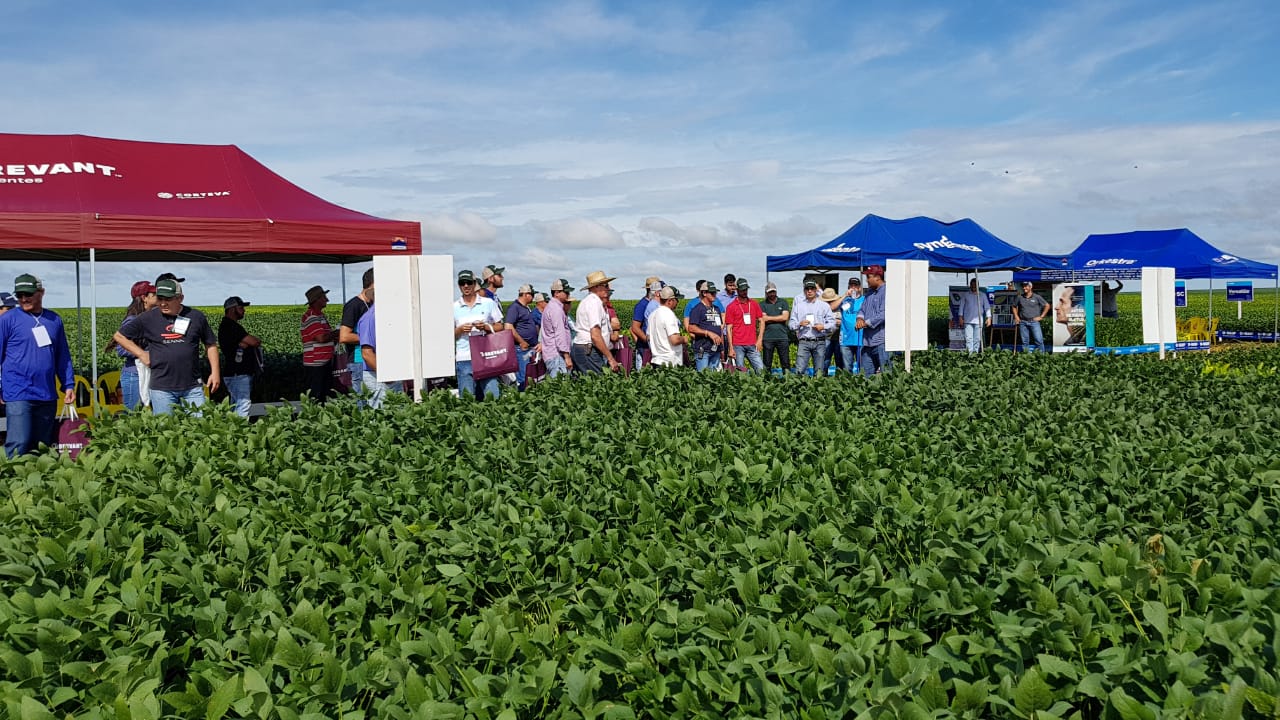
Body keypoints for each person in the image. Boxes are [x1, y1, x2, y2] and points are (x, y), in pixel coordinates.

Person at [114, 278, 220, 415]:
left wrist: (215, 372)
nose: (163, 303)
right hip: (161, 389)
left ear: (180, 298)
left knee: (199, 428)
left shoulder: (196, 317)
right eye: (160, 298)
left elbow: (210, 344)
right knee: (166, 430)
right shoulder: (148, 318)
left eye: (168, 299)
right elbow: (119, 336)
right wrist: (141, 354)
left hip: (192, 387)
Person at [0, 274, 75, 457]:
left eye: (28, 294)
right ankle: (10, 481)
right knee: (19, 441)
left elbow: (62, 356)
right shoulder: (7, 320)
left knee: (42, 445)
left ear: (41, 292)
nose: (23, 299)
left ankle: (38, 482)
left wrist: (68, 384)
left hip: (46, 393)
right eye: (19, 295)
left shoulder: (54, 320)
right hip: (17, 391)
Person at [453, 269, 506, 398]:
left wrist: (486, 327)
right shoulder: (453, 307)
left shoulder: (488, 303)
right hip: (464, 357)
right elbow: (446, 335)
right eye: (462, 283)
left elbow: (501, 326)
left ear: (474, 283)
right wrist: (459, 330)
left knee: (493, 396)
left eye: (468, 282)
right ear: (459, 285)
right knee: (467, 401)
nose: (466, 286)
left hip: (486, 356)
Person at [110, 281, 157, 410]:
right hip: (134, 375)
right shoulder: (132, 320)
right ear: (144, 298)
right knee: (134, 416)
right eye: (154, 294)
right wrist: (144, 353)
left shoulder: (151, 317)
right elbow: (120, 349)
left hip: (147, 373)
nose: (159, 297)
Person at [219, 295, 260, 418]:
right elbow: (254, 341)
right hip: (238, 373)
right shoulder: (231, 326)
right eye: (241, 308)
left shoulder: (228, 325)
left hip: (235, 373)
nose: (244, 310)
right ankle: (240, 431)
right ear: (232, 309)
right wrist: (247, 343)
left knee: (235, 404)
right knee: (243, 403)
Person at [572, 271, 621, 374]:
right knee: (597, 384)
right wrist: (610, 359)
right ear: (597, 287)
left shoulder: (588, 301)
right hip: (589, 350)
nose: (608, 289)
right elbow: (595, 335)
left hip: (584, 348)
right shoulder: (595, 303)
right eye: (606, 286)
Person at [301, 285, 340, 403]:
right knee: (316, 396)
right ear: (317, 300)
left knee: (323, 395)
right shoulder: (311, 317)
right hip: (316, 364)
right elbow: (321, 338)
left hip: (322, 362)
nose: (327, 300)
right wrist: (337, 332)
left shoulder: (319, 315)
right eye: (324, 297)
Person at [339, 268, 375, 394]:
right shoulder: (353, 305)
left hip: (371, 359)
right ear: (372, 284)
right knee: (362, 401)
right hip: (359, 361)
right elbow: (344, 336)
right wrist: (369, 338)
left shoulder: (373, 304)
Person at [790, 280, 835, 376]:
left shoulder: (824, 306)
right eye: (807, 289)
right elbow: (791, 324)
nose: (809, 291)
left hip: (820, 341)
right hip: (804, 341)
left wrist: (823, 326)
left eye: (812, 289)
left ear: (816, 290)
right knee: (800, 370)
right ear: (804, 290)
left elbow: (832, 324)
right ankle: (800, 389)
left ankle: (816, 390)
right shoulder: (798, 306)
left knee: (819, 372)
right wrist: (799, 324)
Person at [856, 265, 891, 375]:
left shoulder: (888, 291)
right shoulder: (869, 293)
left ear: (877, 277)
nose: (866, 280)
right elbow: (862, 309)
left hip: (882, 341)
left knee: (887, 375)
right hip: (867, 342)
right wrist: (860, 318)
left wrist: (866, 323)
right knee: (866, 376)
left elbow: (884, 313)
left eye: (868, 276)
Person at [724, 278, 764, 371]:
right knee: (740, 372)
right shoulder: (731, 307)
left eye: (746, 289)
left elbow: (761, 320)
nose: (745, 292)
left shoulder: (754, 304)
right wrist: (731, 347)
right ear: (737, 290)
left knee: (761, 370)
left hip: (753, 343)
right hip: (738, 345)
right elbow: (729, 328)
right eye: (742, 290)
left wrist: (760, 340)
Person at [506, 284, 541, 390]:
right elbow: (508, 326)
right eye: (532, 294)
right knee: (524, 377)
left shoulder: (526, 308)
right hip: (521, 349)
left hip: (530, 348)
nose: (533, 297)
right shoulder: (515, 307)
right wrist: (521, 342)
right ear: (526, 294)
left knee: (531, 377)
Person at [355, 303, 390, 408]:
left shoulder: (384, 314)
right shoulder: (371, 317)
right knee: (380, 416)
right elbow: (367, 354)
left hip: (387, 376)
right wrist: (387, 376)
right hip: (378, 376)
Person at [541, 278, 575, 377]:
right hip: (557, 355)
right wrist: (567, 356)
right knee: (561, 387)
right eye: (566, 292)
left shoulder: (551, 307)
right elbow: (560, 334)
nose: (568, 294)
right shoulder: (556, 310)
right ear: (557, 293)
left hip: (552, 354)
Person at [688, 282, 724, 371]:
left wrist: (722, 348)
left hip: (716, 350)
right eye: (712, 293)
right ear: (704, 293)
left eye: (715, 293)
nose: (714, 295)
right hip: (703, 350)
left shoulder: (717, 309)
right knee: (703, 377)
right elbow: (691, 328)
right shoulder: (697, 309)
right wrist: (708, 333)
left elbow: (719, 328)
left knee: (715, 378)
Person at [647, 286, 686, 366]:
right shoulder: (668, 314)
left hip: (656, 360)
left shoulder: (652, 315)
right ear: (670, 301)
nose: (677, 302)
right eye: (676, 300)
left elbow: (648, 337)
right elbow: (675, 340)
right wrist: (684, 339)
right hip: (669, 362)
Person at [630, 277, 662, 369]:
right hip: (644, 347)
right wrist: (647, 340)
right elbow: (635, 327)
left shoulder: (656, 303)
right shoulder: (642, 305)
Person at [759, 282, 791, 373]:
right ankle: (766, 381)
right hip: (768, 337)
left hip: (782, 337)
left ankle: (787, 381)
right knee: (767, 363)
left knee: (785, 363)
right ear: (766, 293)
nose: (772, 294)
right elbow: (763, 319)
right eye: (770, 292)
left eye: (773, 292)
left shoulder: (783, 302)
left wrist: (769, 318)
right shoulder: (762, 304)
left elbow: (785, 317)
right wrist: (779, 318)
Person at [1012, 281, 1050, 353]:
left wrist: (1041, 316)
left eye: (1026, 286)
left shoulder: (1037, 297)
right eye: (1023, 286)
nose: (1024, 288)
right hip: (1023, 322)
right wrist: (1016, 317)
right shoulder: (1019, 297)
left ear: (1030, 287)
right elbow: (1014, 307)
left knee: (1039, 340)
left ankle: (1042, 356)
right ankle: (1026, 356)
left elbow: (1047, 305)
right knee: (1025, 341)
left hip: (1034, 322)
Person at [837, 277, 865, 372]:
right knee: (847, 368)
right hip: (846, 339)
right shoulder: (845, 300)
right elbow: (832, 307)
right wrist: (845, 295)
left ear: (860, 288)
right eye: (851, 285)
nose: (853, 288)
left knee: (862, 368)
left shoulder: (864, 300)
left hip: (860, 339)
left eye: (856, 286)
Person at [959, 278, 992, 355]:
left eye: (975, 285)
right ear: (970, 285)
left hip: (979, 321)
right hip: (968, 321)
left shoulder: (982, 295)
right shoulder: (966, 295)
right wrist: (960, 317)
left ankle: (975, 354)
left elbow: (987, 307)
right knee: (969, 339)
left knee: (977, 339)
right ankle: (969, 355)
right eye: (972, 285)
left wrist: (989, 318)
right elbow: (961, 307)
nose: (973, 286)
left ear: (978, 285)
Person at [820, 287, 844, 374]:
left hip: (838, 336)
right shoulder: (821, 307)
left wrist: (841, 322)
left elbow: (846, 318)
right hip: (826, 337)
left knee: (839, 359)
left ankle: (840, 378)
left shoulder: (842, 306)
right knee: (825, 359)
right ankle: (823, 377)